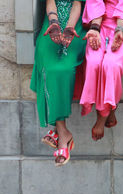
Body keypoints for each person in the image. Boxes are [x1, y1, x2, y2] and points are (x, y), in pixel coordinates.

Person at [31, 0, 86, 166]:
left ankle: (59, 132)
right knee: (48, 68)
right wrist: (54, 23)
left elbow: (77, 4)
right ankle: (63, 134)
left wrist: (68, 28)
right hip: (51, 25)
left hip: (74, 25)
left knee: (63, 70)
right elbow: (50, 2)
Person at [80, 0, 123, 141]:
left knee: (111, 65)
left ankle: (102, 117)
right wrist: (95, 27)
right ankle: (110, 109)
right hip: (98, 23)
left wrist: (120, 29)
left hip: (122, 24)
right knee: (94, 63)